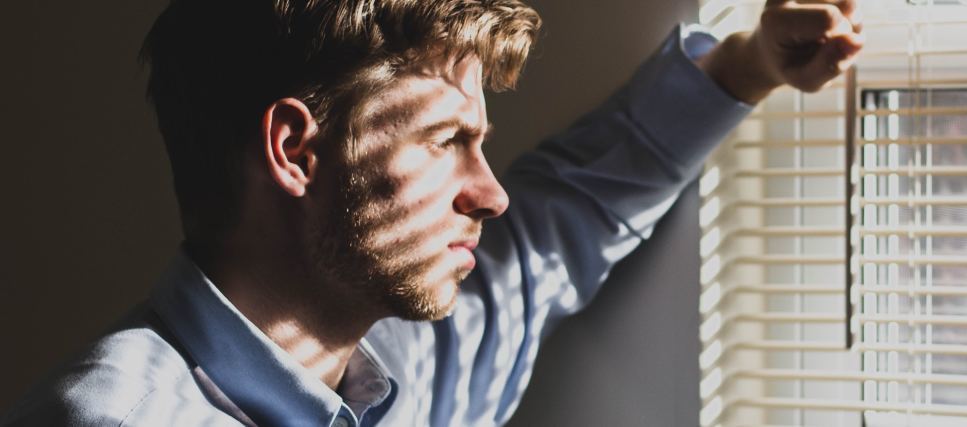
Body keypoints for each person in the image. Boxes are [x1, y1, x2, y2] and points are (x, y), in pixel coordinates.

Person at [0, 0, 862, 425]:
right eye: (446, 141)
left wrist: (749, 65)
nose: (489, 193)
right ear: (297, 151)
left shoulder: (409, 365)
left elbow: (572, 211)